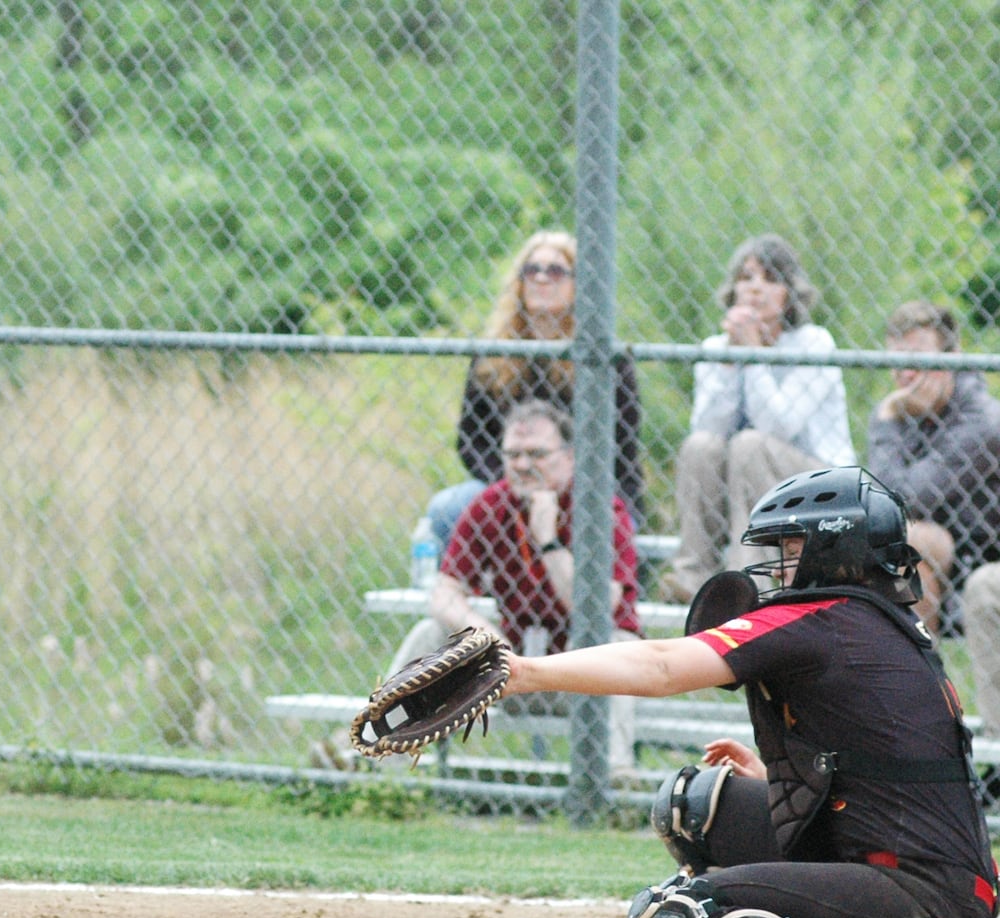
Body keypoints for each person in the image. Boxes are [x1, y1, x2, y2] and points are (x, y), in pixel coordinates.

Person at [507, 466, 995, 918]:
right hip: (928, 890)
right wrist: (781, 775)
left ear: (833, 548)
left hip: (923, 905)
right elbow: (891, 759)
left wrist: (523, 673)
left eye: (791, 546)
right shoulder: (876, 623)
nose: (779, 565)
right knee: (694, 805)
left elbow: (662, 666)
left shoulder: (825, 618)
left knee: (680, 917)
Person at [428, 398, 641, 769]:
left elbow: (597, 609)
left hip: (583, 671)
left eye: (537, 454)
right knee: (430, 634)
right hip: (514, 664)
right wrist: (485, 636)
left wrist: (548, 542)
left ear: (570, 457)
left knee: (608, 646)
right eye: (513, 455)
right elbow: (445, 593)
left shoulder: (600, 508)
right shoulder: (491, 504)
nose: (523, 466)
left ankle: (614, 781)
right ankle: (377, 757)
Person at [658, 234, 853, 603]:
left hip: (819, 483)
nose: (756, 289)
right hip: (743, 479)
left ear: (790, 293)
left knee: (749, 444)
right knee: (700, 446)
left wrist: (753, 354)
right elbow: (709, 429)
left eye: (770, 279)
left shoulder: (814, 343)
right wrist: (731, 361)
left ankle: (748, 578)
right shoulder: (717, 347)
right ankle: (693, 573)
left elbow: (778, 427)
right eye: (747, 278)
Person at [425, 230, 644, 548]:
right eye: (532, 270)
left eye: (555, 271)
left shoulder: (606, 358)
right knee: (446, 509)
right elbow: (472, 440)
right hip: (509, 482)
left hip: (588, 487)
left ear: (578, 285)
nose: (542, 279)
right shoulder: (493, 356)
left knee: (597, 519)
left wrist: (558, 484)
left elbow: (620, 446)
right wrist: (516, 481)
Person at [865, 300, 1000, 643]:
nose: (907, 374)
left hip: (981, 558)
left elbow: (906, 502)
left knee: (911, 539)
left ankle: (919, 681)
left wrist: (886, 421)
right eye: (897, 362)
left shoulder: (983, 419)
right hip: (927, 554)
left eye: (918, 359)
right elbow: (881, 507)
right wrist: (890, 420)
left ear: (952, 357)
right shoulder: (901, 416)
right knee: (901, 541)